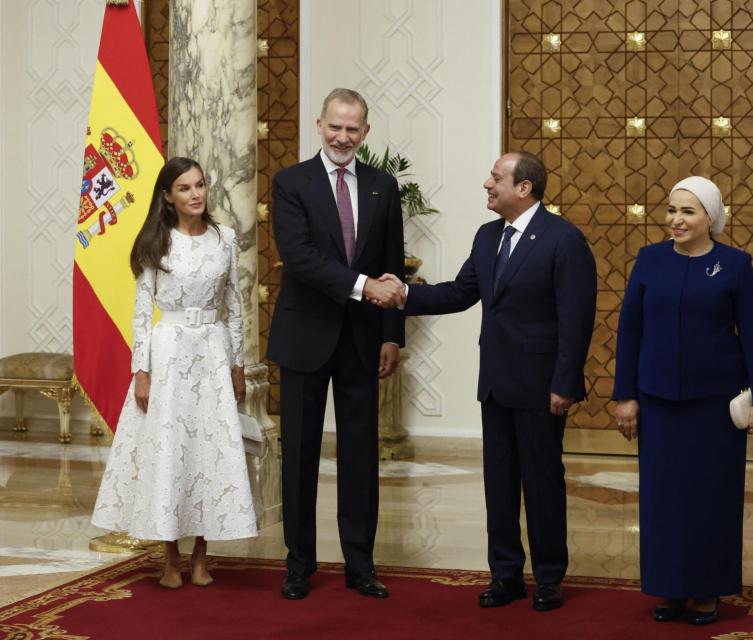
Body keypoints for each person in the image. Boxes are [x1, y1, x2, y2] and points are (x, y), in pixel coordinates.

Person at [383, 151, 597, 611]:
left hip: (542, 387)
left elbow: (576, 319)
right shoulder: (487, 237)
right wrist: (403, 295)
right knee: (498, 483)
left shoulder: (564, 240)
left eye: (496, 178)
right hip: (496, 383)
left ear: (525, 188)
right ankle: (505, 575)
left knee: (542, 483)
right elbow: (460, 293)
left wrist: (564, 383)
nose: (487, 184)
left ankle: (549, 577)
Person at [612, 176, 753, 624]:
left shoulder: (735, 265)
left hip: (715, 406)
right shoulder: (649, 260)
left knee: (711, 498)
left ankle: (707, 590)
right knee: (662, 498)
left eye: (687, 212)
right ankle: (669, 589)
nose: (676, 220)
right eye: (671, 210)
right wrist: (624, 394)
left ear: (710, 218)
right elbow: (630, 331)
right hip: (658, 401)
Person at [91, 157, 258, 589]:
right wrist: (141, 371)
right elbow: (143, 312)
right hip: (168, 352)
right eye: (184, 188)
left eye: (200, 185)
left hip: (213, 353)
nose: (196, 194)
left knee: (207, 449)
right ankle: (169, 558)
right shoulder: (155, 240)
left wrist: (238, 364)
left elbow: (235, 306)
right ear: (167, 196)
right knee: (170, 450)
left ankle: (202, 557)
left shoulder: (224, 238)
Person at [267, 88, 405, 600]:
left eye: (353, 129)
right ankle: (299, 565)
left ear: (366, 133)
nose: (343, 137)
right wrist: (361, 286)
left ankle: (360, 564)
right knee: (299, 454)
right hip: (305, 335)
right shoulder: (291, 183)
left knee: (360, 454)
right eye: (335, 127)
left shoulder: (382, 186)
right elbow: (299, 256)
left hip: (364, 339)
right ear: (318, 125)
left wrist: (392, 335)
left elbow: (394, 257)